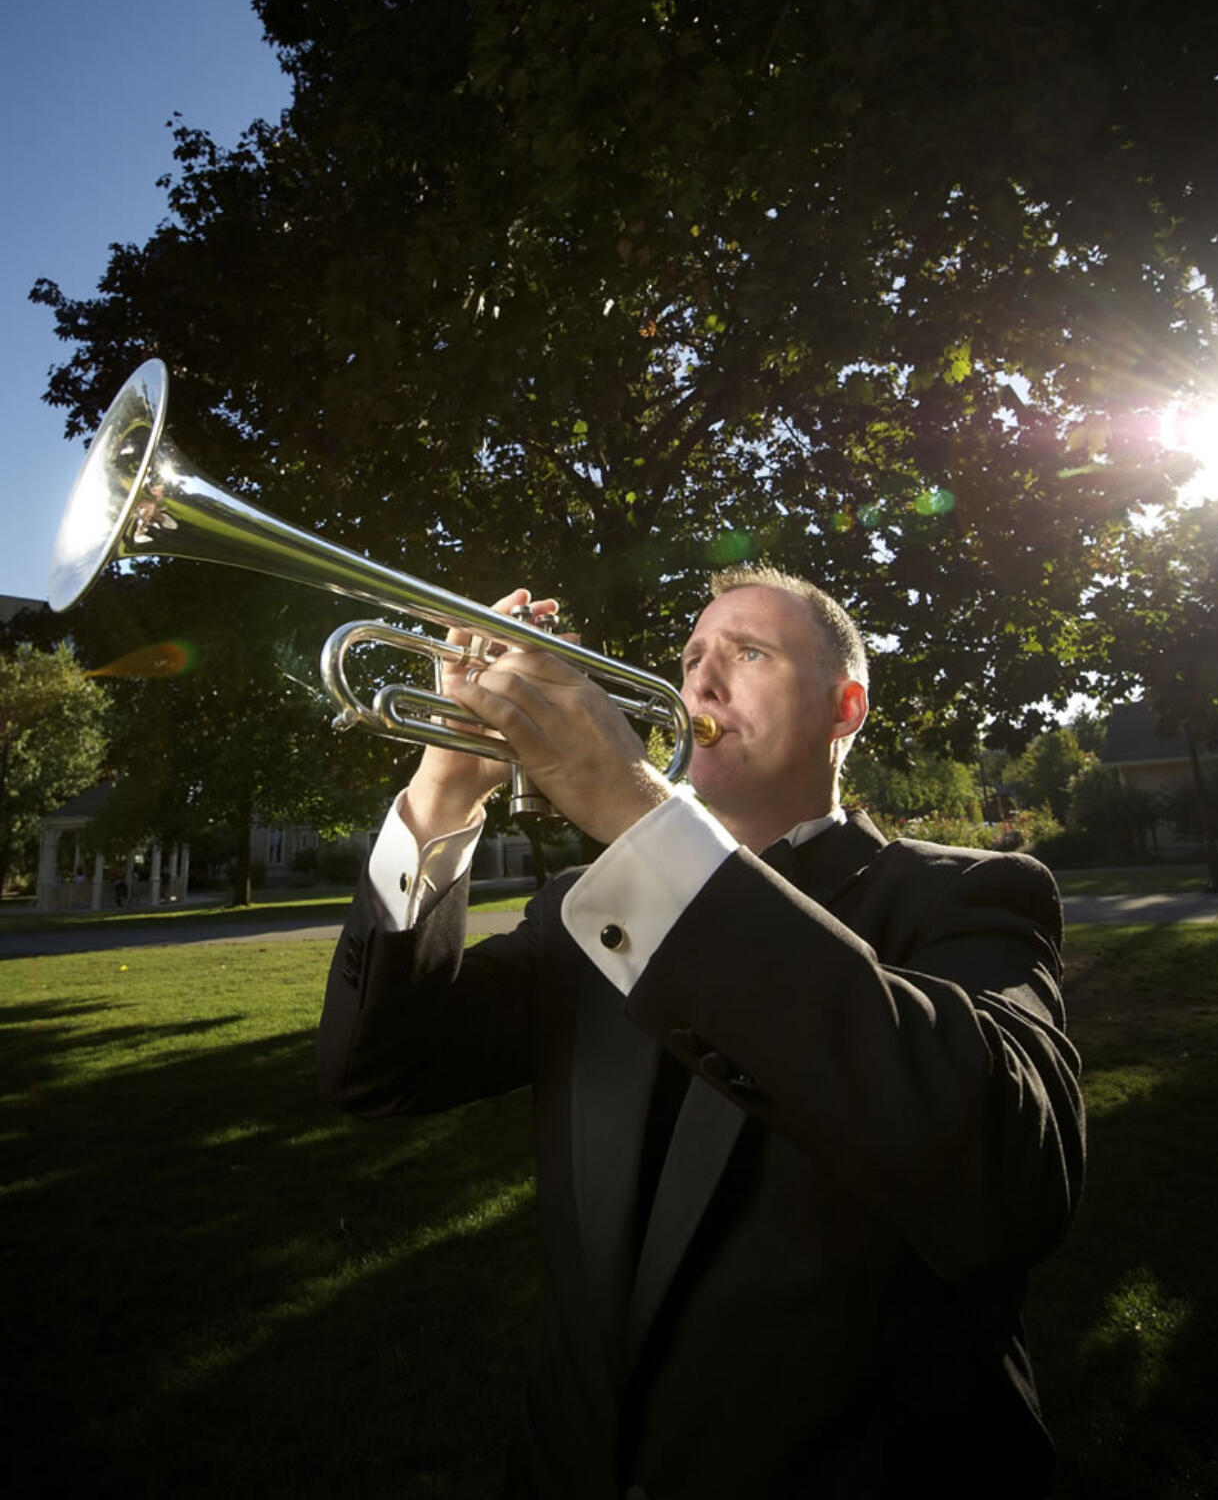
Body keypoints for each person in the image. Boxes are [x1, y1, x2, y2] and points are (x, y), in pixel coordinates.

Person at [319, 566, 1084, 1499]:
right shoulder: (582, 910)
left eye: (747, 654)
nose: (701, 685)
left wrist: (639, 811)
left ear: (846, 708)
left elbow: (1006, 1172)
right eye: (690, 660)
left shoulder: (964, 892)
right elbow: (380, 1070)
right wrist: (443, 792)